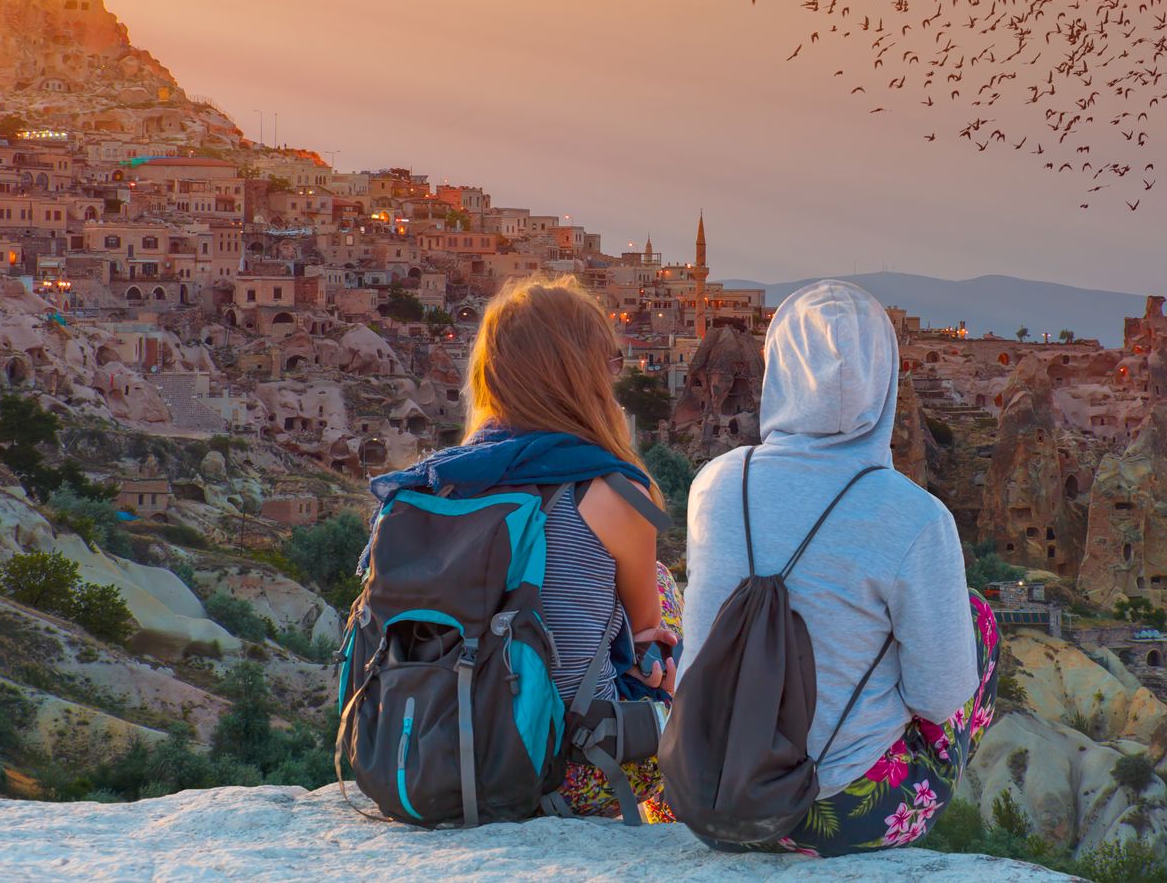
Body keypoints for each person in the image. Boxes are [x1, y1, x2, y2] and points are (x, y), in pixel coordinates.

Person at [678, 279, 1000, 855]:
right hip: (843, 815)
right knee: (975, 618)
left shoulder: (715, 485)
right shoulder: (917, 518)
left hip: (710, 793)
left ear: (779, 372)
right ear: (887, 380)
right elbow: (940, 695)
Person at [366, 273, 680, 820]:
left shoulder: (436, 484)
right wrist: (652, 662)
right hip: (574, 769)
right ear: (583, 375)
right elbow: (647, 628)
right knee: (664, 582)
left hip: (429, 757)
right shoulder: (619, 490)